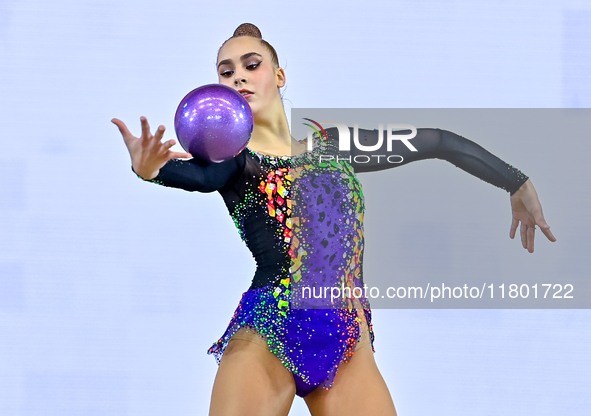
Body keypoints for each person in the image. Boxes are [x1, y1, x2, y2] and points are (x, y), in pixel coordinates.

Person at [111, 23, 556, 416]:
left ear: (279, 75)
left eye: (251, 64)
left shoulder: (334, 147)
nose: (239, 76)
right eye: (226, 72)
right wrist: (149, 168)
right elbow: (198, 177)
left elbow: (437, 141)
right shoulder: (233, 161)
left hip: (347, 336)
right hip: (268, 330)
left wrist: (515, 182)